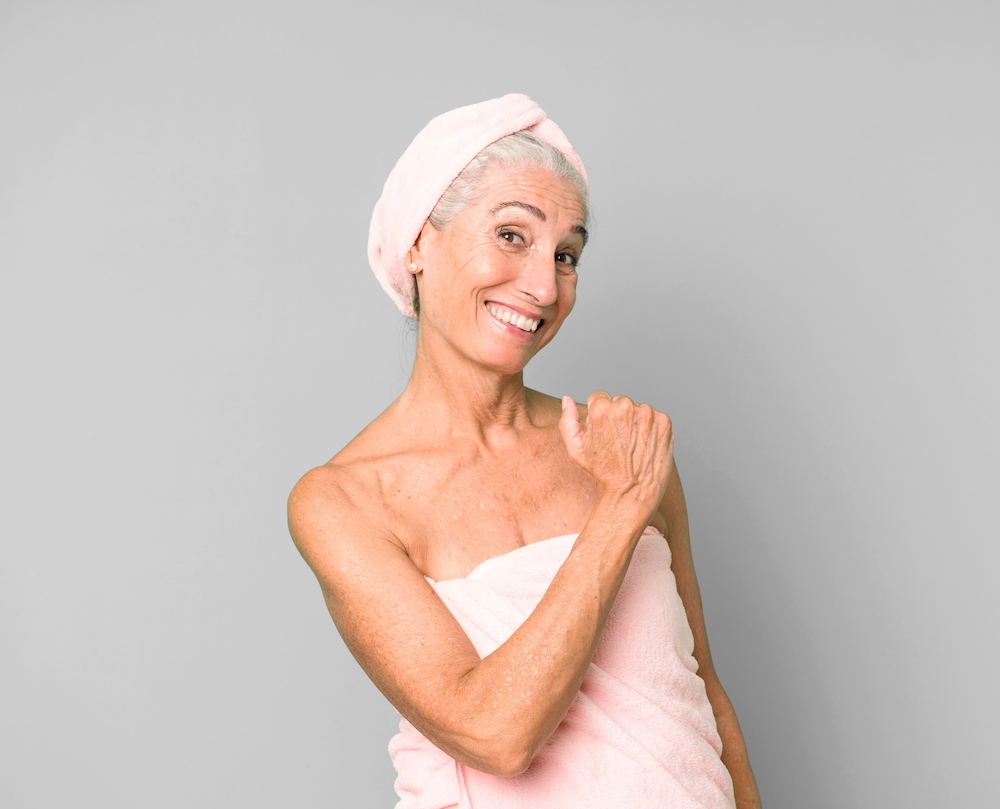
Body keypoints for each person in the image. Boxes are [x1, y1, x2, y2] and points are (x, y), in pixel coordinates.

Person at [288, 94, 761, 809]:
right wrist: (619, 508)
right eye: (512, 235)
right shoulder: (344, 502)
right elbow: (496, 734)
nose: (544, 286)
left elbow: (707, 700)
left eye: (566, 255)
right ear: (417, 244)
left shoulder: (622, 449)